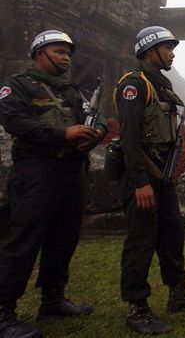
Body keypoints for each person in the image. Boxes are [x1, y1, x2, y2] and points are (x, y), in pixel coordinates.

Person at [0, 30, 106, 338]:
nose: (65, 58)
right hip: (36, 171)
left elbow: (96, 117)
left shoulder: (71, 90)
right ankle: (4, 312)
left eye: (68, 53)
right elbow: (15, 122)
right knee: (24, 241)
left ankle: (53, 298)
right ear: (39, 54)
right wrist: (64, 135)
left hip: (71, 171)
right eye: (59, 51)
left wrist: (94, 134)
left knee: (64, 238)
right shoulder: (17, 86)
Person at [116, 26, 185, 335]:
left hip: (164, 174)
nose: (173, 52)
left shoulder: (161, 86)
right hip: (143, 175)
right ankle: (137, 307)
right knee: (141, 240)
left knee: (173, 234)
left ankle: (179, 293)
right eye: (167, 47)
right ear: (149, 51)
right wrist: (139, 183)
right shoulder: (135, 85)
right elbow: (129, 140)